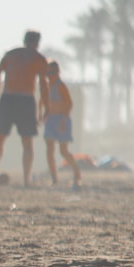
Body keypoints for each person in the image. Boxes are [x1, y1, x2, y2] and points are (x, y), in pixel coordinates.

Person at [0, 30, 49, 187]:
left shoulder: (11, 55)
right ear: (37, 43)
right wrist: (45, 107)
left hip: (9, 99)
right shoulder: (38, 59)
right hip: (24, 100)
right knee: (26, 141)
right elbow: (43, 86)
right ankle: (25, 180)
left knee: (1, 138)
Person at [43, 60, 82, 189]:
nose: (49, 76)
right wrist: (43, 115)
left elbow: (69, 104)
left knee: (63, 151)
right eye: (47, 73)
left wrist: (64, 120)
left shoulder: (61, 86)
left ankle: (77, 174)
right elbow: (44, 101)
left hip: (62, 119)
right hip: (50, 120)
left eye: (51, 73)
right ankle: (54, 179)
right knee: (49, 150)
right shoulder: (47, 86)